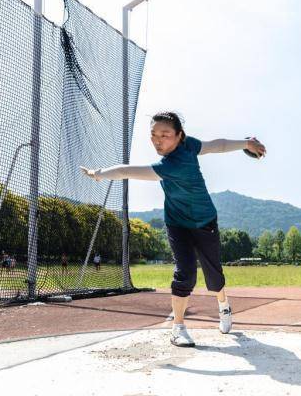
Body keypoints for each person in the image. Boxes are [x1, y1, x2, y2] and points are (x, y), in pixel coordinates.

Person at [81, 111, 266, 347]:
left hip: (204, 220)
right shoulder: (166, 164)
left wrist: (245, 143)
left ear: (179, 136)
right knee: (185, 273)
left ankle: (223, 305)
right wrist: (99, 174)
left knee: (214, 274)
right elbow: (126, 171)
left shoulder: (185, 151)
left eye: (165, 135)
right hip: (177, 223)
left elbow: (216, 146)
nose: (158, 140)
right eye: (154, 135)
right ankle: (178, 327)